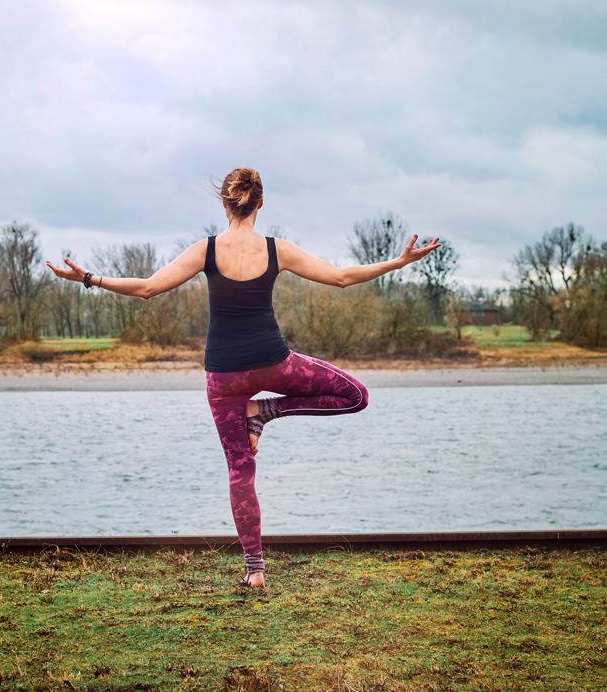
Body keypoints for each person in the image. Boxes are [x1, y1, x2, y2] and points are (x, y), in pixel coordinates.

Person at [46, 167, 440, 588]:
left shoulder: (205, 250)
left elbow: (146, 288)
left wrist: (88, 278)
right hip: (274, 363)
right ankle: (266, 411)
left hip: (223, 379)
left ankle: (255, 570)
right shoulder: (277, 250)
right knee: (356, 396)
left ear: (224, 203)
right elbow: (341, 278)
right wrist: (399, 262)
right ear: (261, 203)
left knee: (240, 469)